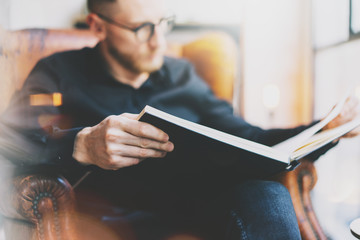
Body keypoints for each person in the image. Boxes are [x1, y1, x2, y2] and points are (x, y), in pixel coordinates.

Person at [0, 0, 359, 239]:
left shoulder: (182, 74)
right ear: (98, 26)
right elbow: (11, 137)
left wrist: (323, 130)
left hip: (197, 209)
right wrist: (81, 144)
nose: (159, 41)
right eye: (142, 28)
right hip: (106, 220)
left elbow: (247, 137)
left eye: (163, 23)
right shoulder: (57, 72)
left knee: (267, 194)